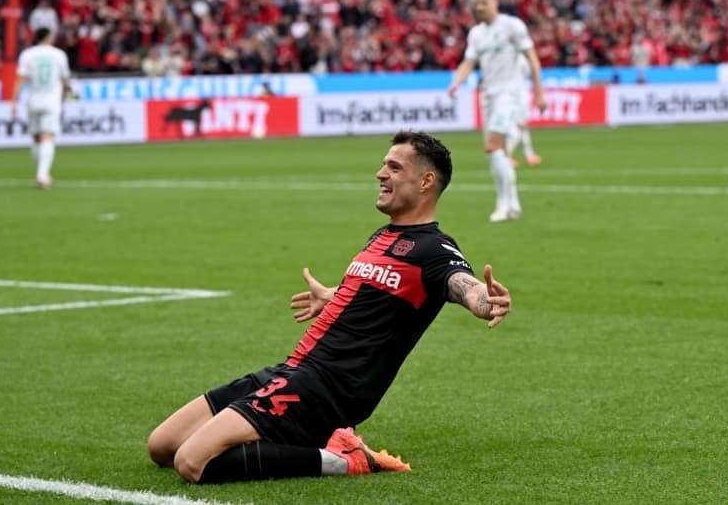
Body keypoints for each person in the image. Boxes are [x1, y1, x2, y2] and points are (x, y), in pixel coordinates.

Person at [147, 130, 512, 484]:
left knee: (191, 462)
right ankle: (292, 438)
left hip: (326, 389)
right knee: (162, 445)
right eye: (384, 165)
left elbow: (460, 284)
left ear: (426, 181)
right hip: (294, 370)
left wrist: (485, 301)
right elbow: (380, 287)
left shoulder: (434, 249)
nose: (381, 174)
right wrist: (336, 296)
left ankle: (342, 460)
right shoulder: (384, 235)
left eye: (395, 167)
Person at [447, 0, 546, 223]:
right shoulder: (476, 34)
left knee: (493, 145)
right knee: (496, 153)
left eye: (485, 2)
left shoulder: (513, 26)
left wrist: (539, 93)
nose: (480, 7)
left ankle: (503, 204)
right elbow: (468, 62)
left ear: (495, 2)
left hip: (508, 94)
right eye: (477, 4)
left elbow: (533, 59)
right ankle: (513, 204)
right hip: (488, 95)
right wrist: (455, 84)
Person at [11, 27, 72, 188]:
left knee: (36, 138)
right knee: (48, 136)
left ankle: (40, 172)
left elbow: (20, 80)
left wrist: (14, 102)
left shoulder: (27, 54)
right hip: (52, 101)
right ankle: (42, 175)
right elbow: (65, 81)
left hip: (33, 100)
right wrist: (67, 96)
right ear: (49, 37)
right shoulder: (59, 55)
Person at [506, 53, 542, 168]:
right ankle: (507, 155)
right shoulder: (521, 57)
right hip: (519, 95)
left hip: (507, 94)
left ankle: (529, 155)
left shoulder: (506, 56)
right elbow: (532, 71)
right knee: (520, 126)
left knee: (521, 126)